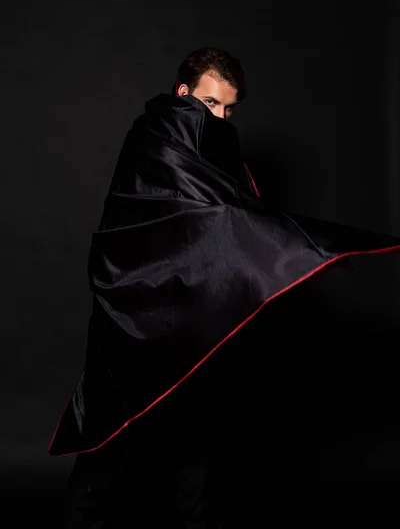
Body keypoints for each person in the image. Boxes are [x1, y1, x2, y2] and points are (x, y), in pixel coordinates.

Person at [49, 47, 400, 528]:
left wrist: (304, 254)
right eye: (210, 103)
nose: (218, 116)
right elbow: (209, 216)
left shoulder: (218, 148)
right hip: (132, 307)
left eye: (228, 108)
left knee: (194, 434)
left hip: (193, 307)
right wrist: (303, 246)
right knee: (114, 431)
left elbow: (234, 217)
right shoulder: (156, 135)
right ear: (183, 93)